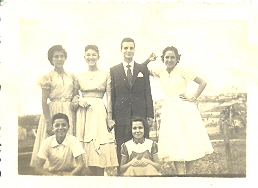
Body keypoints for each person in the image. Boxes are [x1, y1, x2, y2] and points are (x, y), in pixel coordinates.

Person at [143, 46, 214, 175]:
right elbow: (140, 69)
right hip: (169, 109)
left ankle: (189, 173)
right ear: (163, 59)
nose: (169, 60)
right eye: (167, 57)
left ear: (177, 59)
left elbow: (203, 82)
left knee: (188, 139)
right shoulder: (160, 72)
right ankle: (180, 174)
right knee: (174, 140)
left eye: (172, 57)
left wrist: (193, 97)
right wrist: (148, 60)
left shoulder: (183, 71)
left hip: (184, 109)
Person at [110, 38, 154, 174]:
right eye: (125, 48)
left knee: (142, 148)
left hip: (139, 115)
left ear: (134, 49)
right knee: (122, 149)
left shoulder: (142, 69)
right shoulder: (114, 70)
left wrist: (150, 115)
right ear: (121, 50)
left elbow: (148, 93)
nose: (128, 51)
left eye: (131, 48)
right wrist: (111, 116)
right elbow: (112, 96)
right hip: (121, 116)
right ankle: (121, 177)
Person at [74, 44, 118, 176]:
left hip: (99, 111)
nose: (91, 57)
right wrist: (79, 101)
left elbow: (109, 97)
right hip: (84, 113)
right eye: (88, 55)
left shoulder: (105, 74)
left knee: (100, 143)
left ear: (98, 56)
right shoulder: (79, 76)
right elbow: (75, 96)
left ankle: (101, 177)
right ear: (84, 57)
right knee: (85, 145)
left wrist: (110, 118)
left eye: (94, 54)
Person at [30, 45, 77, 167]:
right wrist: (47, 120)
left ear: (65, 58)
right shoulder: (47, 77)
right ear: (51, 59)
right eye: (56, 56)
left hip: (68, 110)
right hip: (53, 110)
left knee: (69, 137)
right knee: (52, 138)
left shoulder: (71, 76)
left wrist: (75, 100)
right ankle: (50, 167)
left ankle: (69, 165)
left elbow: (76, 93)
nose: (59, 59)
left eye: (61, 56)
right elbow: (44, 101)